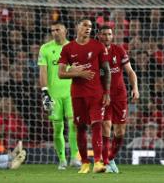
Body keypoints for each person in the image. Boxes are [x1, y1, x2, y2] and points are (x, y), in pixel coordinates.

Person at [58, 19, 111, 174]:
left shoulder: (97, 46)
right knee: (81, 127)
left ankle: (99, 162)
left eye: (90, 26)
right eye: (85, 25)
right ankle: (85, 163)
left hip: (96, 94)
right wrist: (78, 73)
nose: (88, 28)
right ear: (77, 27)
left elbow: (106, 71)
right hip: (78, 95)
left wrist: (107, 92)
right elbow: (61, 73)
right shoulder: (68, 48)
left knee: (96, 125)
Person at [38, 22, 80, 170]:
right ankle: (62, 159)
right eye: (52, 30)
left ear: (65, 31)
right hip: (54, 94)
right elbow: (43, 72)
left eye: (58, 29)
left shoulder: (75, 47)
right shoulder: (45, 48)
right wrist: (44, 92)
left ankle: (74, 158)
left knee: (73, 124)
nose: (55, 32)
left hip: (71, 93)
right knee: (57, 128)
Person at [97, 25, 139, 173]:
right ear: (99, 36)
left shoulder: (119, 50)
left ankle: (111, 158)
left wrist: (135, 88)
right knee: (106, 126)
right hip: (103, 96)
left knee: (120, 131)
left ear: (112, 36)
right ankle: (105, 162)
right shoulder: (94, 52)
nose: (107, 37)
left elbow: (130, 71)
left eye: (109, 34)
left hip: (120, 96)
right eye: (104, 34)